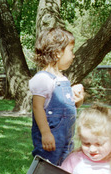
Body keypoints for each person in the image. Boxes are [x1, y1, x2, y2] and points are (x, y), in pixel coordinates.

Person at [30, 27, 85, 166]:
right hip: (50, 143)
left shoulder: (62, 79)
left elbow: (66, 108)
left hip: (66, 142)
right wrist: (46, 133)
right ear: (57, 53)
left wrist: (78, 100)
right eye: (71, 50)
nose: (73, 55)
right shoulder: (43, 78)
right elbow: (37, 107)